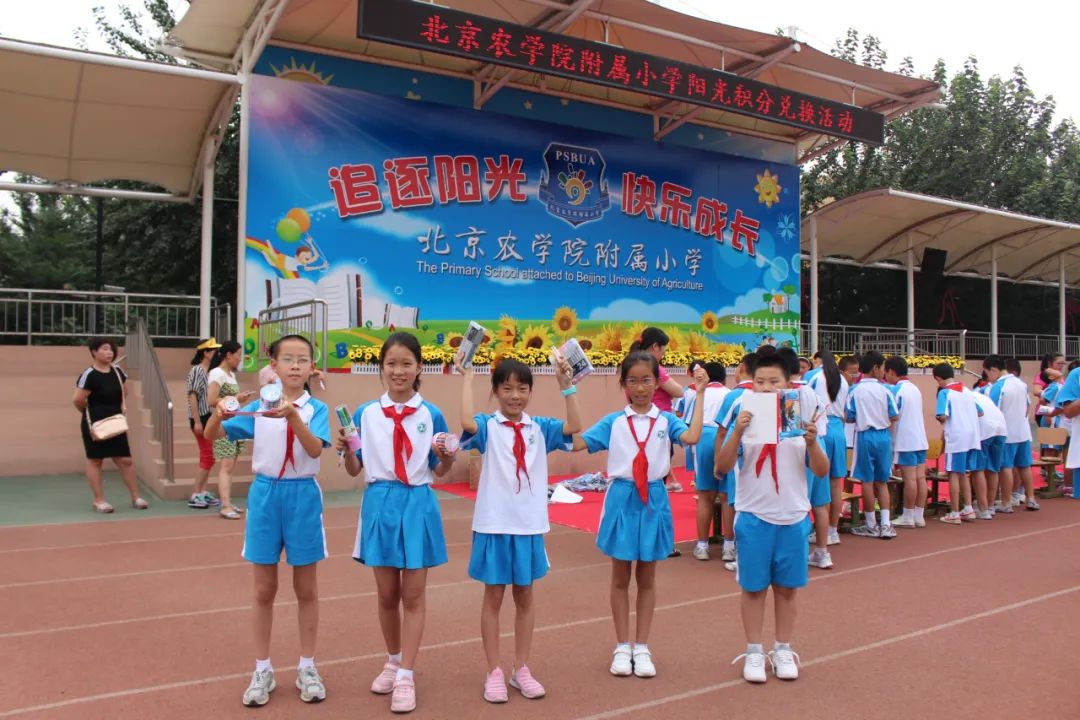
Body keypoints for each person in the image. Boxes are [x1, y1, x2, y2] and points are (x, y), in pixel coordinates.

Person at [205, 334, 331, 707]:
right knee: (263, 590)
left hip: (302, 495)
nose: (295, 365)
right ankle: (263, 669)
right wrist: (217, 414)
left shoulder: (315, 409)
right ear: (272, 366)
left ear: (312, 367)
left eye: (302, 359)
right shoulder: (259, 406)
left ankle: (307, 665)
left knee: (306, 589)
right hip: (265, 495)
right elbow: (214, 438)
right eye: (287, 359)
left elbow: (313, 448)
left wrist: (292, 416)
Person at [341, 332, 456, 714]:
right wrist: (345, 449)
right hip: (379, 502)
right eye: (391, 363)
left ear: (419, 366)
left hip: (417, 502)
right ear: (382, 367)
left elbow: (439, 470)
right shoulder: (365, 414)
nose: (399, 371)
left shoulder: (431, 413)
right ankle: (392, 660)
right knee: (387, 594)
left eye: (406, 363)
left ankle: (406, 673)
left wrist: (448, 457)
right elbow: (355, 468)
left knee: (414, 595)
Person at [573, 352, 707, 678]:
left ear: (655, 382)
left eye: (647, 380)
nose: (640, 387)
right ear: (623, 385)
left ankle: (642, 646)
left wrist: (700, 394)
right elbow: (577, 442)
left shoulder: (666, 420)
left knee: (647, 578)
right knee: (620, 578)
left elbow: (691, 437)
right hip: (622, 497)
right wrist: (569, 391)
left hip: (654, 499)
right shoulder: (614, 422)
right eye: (632, 380)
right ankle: (622, 645)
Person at [456, 355, 581, 703]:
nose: (515, 395)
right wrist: (467, 377)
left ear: (530, 391)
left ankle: (521, 668)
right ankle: (493, 670)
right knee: (493, 596)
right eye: (507, 388)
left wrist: (566, 385)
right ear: (495, 391)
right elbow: (466, 423)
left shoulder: (540, 427)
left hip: (528, 526)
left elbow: (575, 426)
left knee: (524, 597)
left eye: (522, 388)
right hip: (494, 524)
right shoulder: (487, 425)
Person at [716, 354, 829, 683]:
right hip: (753, 516)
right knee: (753, 589)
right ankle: (754, 651)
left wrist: (812, 442)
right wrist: (737, 432)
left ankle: (782, 648)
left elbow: (820, 470)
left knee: (787, 590)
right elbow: (722, 467)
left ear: (789, 383)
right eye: (760, 381)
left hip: (793, 517)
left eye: (774, 382)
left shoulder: (801, 417)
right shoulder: (743, 412)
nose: (766, 388)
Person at [73, 336, 148, 513]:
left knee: (125, 460)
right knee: (95, 460)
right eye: (104, 349)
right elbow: (78, 400)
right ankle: (99, 501)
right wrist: (90, 413)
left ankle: (136, 497)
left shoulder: (118, 372)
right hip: (95, 424)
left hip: (116, 422)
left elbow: (125, 392)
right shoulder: (89, 375)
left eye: (111, 349)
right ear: (93, 352)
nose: (109, 352)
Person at [712, 352, 758, 569]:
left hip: (739, 458)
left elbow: (721, 432)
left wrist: (718, 461)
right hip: (755, 458)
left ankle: (732, 548)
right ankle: (736, 549)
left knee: (735, 501)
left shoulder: (735, 396)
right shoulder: (768, 395)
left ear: (741, 368)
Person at [846, 351, 898, 539]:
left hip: (864, 436)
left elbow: (849, 417)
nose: (883, 371)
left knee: (867, 482)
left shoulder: (854, 390)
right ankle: (885, 524)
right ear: (875, 368)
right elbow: (895, 415)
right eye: (882, 368)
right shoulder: (886, 390)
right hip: (883, 436)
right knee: (882, 481)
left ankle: (870, 524)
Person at [804, 350, 847, 563]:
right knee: (834, 483)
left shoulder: (812, 377)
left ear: (817, 360)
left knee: (812, 485)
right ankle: (832, 530)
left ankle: (813, 534)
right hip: (838, 428)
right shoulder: (841, 378)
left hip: (819, 430)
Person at [629, 327, 685, 491]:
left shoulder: (632, 363)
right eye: (663, 350)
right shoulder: (653, 368)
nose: (663, 355)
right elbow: (678, 391)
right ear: (655, 347)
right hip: (659, 420)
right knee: (657, 466)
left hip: (639, 418)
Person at [208, 340, 255, 519]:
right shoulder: (217, 373)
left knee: (231, 465)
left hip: (235, 423)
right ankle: (225, 504)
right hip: (223, 423)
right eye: (238, 355)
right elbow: (212, 399)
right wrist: (236, 397)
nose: (239, 359)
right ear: (228, 355)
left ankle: (227, 501)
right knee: (226, 465)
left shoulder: (230, 375)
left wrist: (239, 399)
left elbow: (229, 399)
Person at [686, 362, 729, 561]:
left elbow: (688, 423)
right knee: (728, 496)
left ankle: (702, 545)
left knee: (705, 496)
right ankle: (729, 546)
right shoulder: (731, 393)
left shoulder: (696, 394)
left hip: (703, 437)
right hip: (726, 437)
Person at [985, 355, 1039, 511]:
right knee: (1025, 466)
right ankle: (1031, 498)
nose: (988, 377)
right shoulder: (1020, 383)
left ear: (994, 370)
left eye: (987, 373)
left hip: (1007, 433)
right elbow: (1028, 406)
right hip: (1023, 431)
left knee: (1006, 467)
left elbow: (992, 411)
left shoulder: (997, 387)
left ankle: (1006, 502)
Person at [932, 363, 983, 524]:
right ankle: (967, 508)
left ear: (938, 378)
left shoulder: (945, 393)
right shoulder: (967, 391)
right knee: (963, 474)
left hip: (957, 437)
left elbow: (942, 415)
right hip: (972, 437)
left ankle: (954, 512)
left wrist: (941, 418)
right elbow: (980, 412)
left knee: (953, 473)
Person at [884, 357, 929, 529]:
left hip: (906, 439)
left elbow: (892, 414)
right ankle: (918, 515)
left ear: (892, 372)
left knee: (910, 479)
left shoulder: (897, 390)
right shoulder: (914, 388)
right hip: (919, 438)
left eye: (886, 372)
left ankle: (908, 515)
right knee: (920, 478)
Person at [186, 337, 222, 509]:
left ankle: (202, 491)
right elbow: (192, 396)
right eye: (213, 350)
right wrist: (197, 421)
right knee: (208, 457)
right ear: (205, 353)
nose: (216, 353)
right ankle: (195, 494)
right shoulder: (197, 371)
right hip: (200, 418)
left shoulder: (209, 372)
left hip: (207, 417)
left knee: (207, 456)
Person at [971, 380, 1008, 516]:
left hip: (985, 430)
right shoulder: (980, 396)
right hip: (1001, 429)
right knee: (993, 469)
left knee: (978, 469)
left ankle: (983, 508)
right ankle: (990, 506)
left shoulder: (960, 396)